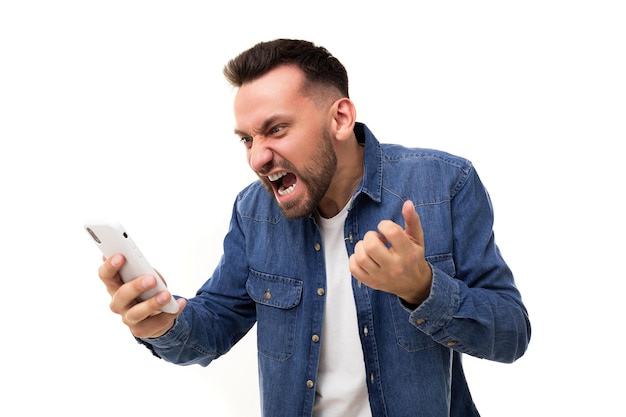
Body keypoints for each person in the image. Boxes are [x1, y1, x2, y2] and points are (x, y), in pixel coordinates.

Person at [98, 39, 531, 417]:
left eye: (276, 129)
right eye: (247, 139)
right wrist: (162, 323)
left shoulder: (444, 184)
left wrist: (423, 288)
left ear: (340, 119)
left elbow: (511, 334)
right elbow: (214, 326)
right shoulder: (254, 212)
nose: (257, 159)